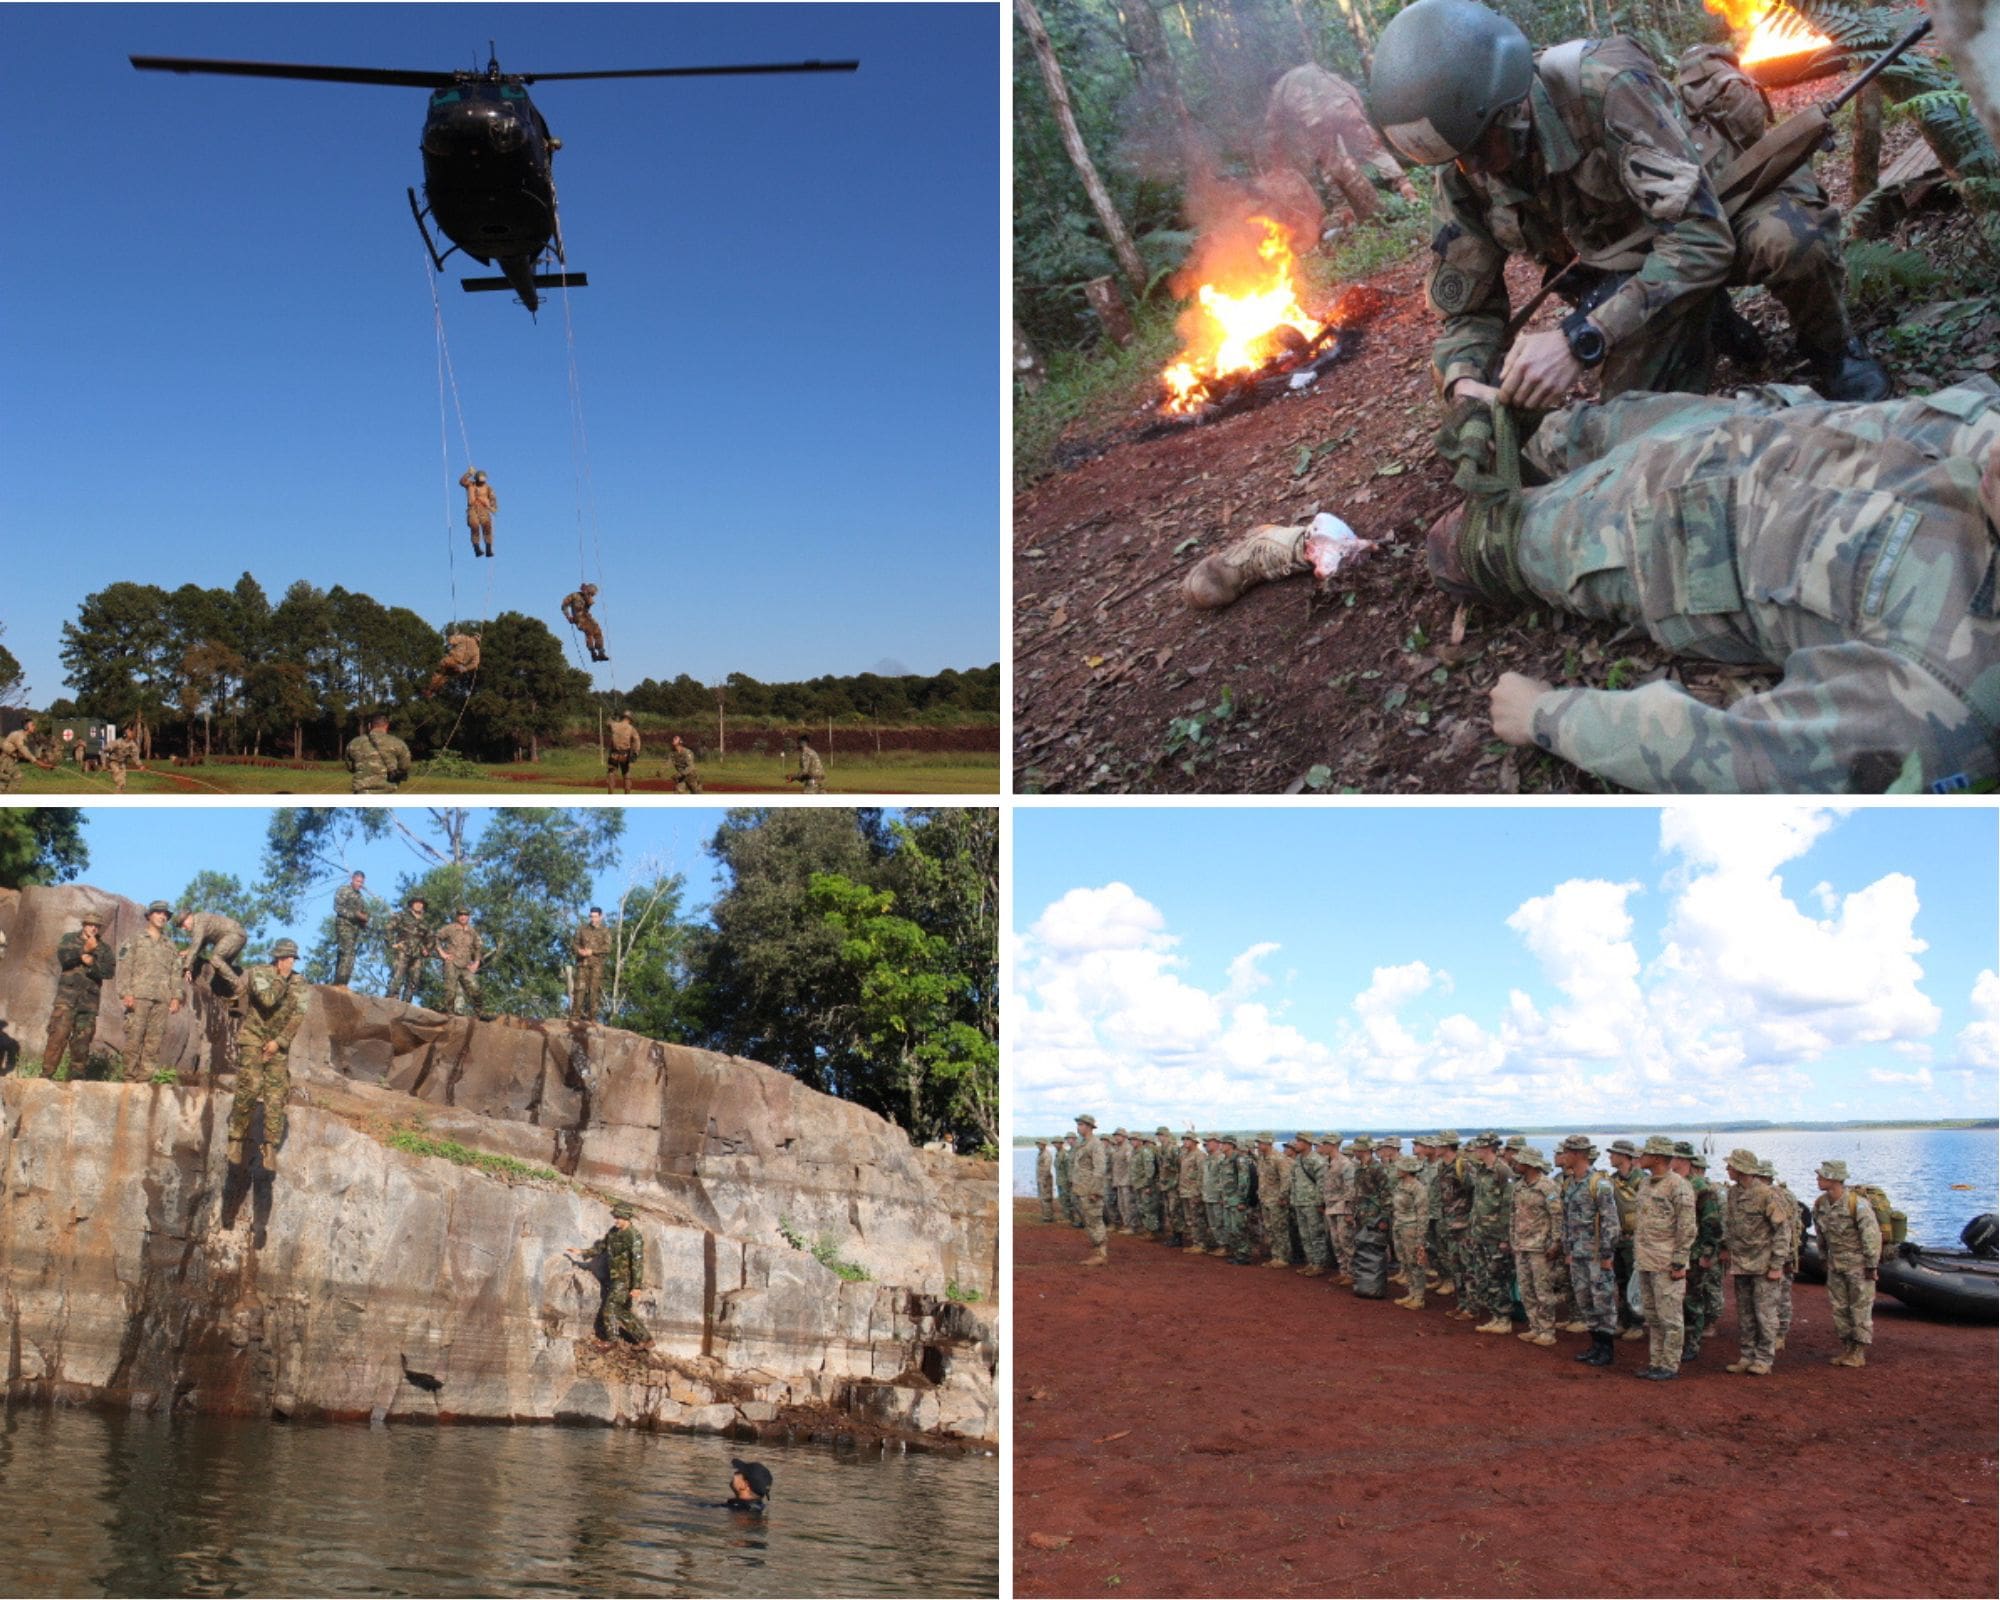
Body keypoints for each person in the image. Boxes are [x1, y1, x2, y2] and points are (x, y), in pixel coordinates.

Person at [1427, 377, 2000, 793]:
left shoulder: (1953, 697)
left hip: (1655, 531)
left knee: (1458, 544)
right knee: (1527, 422)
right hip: (1726, 427)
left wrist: (1546, 716)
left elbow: (1741, 758)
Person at [1368, 0, 1888, 408]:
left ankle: (1833, 349)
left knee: (1791, 241)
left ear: (1511, 106)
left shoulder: (1605, 88)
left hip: (1719, 212)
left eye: (1481, 149)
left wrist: (1581, 337)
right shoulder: (1463, 159)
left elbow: (1701, 239)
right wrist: (1461, 379)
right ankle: (1710, 318)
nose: (1472, 169)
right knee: (1632, 419)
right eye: (1458, 159)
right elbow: (1468, 310)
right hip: (1635, 267)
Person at [229, 938, 310, 1172]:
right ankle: (236, 1138)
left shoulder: (300, 982)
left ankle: (270, 1145)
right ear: (277, 958)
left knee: (276, 1095)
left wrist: (279, 1042)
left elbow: (298, 1015)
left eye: (292, 958)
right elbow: (267, 1000)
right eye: (286, 958)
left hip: (278, 1044)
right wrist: (281, 978)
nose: (290, 962)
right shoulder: (259, 973)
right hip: (253, 1038)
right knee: (251, 1085)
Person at [1632, 1134, 1696, 1380]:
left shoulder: (1678, 1185)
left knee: (1670, 1317)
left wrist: (1679, 1261)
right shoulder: (1645, 1184)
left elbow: (1687, 1226)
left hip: (1667, 1262)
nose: (1641, 1157)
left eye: (1646, 1153)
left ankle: (1669, 1365)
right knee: (1652, 1315)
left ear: (1658, 1157)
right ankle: (1655, 1361)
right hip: (1646, 1260)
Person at [1721, 1149, 1791, 1375]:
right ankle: (1746, 1356)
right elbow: (1729, 1225)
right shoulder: (1733, 1194)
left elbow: (1782, 1231)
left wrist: (1777, 1265)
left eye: (1731, 1166)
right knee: (1745, 1314)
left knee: (1765, 1314)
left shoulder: (1766, 1194)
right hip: (1741, 1264)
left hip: (1763, 1264)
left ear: (1741, 1169)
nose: (1727, 1169)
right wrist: (1726, 1248)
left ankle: (1764, 1358)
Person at [1557, 1135, 1622, 1366]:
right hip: (1577, 1254)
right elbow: (1565, 1220)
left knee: (1602, 1300)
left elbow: (1611, 1223)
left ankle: (1606, 1348)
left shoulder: (1599, 1184)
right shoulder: (1569, 1184)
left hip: (1596, 1255)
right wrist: (1567, 1249)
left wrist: (1606, 1255)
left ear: (1577, 1154)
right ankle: (1595, 1344)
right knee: (1584, 1300)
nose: (1562, 1157)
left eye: (1566, 1152)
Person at [1813, 1158, 1883, 1368]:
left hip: (1857, 1265)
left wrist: (1871, 1265)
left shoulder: (1857, 1204)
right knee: (1839, 1308)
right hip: (1836, 1265)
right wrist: (1823, 1257)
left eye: (1822, 1176)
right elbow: (1820, 1234)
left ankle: (1858, 1352)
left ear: (1834, 1178)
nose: (1818, 1179)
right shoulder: (1821, 1204)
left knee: (1860, 1308)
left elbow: (1871, 1236)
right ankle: (1847, 1348)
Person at [567, 1201, 652, 1347]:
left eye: (618, 1217)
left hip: (625, 1280)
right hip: (615, 1278)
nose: (615, 1220)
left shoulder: (634, 1236)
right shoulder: (613, 1232)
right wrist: (582, 1252)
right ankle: (645, 1339)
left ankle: (612, 1340)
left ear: (626, 1218)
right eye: (615, 1217)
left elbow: (637, 1263)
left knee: (609, 1308)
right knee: (618, 1309)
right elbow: (601, 1247)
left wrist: (636, 1286)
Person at [45, 908, 116, 1080]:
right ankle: (46, 1075)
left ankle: (75, 1080)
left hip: (89, 1003)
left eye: (96, 926)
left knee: (82, 1043)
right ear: (84, 925)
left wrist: (91, 965)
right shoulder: (69, 939)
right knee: (57, 1037)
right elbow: (64, 958)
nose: (93, 928)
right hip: (66, 999)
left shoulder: (104, 948)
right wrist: (83, 950)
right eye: (90, 924)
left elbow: (109, 972)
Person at [118, 899, 183, 1082]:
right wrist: (126, 992)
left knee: (154, 1043)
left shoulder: (170, 945)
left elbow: (176, 973)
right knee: (134, 1038)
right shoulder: (135, 939)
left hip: (161, 999)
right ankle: (129, 1079)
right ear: (149, 916)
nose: (163, 917)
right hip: (139, 996)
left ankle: (144, 1081)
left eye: (166, 914)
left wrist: (176, 997)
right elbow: (125, 966)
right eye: (159, 913)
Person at [1508, 1146, 1563, 1345]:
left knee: (1543, 1291)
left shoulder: (1547, 1187)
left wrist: (1556, 1242)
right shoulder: (1519, 1186)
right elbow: (1513, 1215)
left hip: (1540, 1248)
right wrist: (1513, 1240)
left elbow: (1557, 1216)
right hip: (1522, 1246)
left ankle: (1547, 1331)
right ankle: (1535, 1327)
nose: (1516, 1164)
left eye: (1520, 1161)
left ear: (1530, 1164)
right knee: (1526, 1290)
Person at [1289, 1132, 1332, 1278]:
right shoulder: (1298, 1159)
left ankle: (1319, 1264)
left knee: (1316, 1234)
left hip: (1313, 1203)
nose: (1296, 1144)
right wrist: (1293, 1200)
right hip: (1300, 1202)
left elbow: (1322, 1184)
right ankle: (1311, 1262)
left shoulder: (1317, 1161)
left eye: (1299, 1141)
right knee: (1305, 1235)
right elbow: (1294, 1181)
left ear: (1307, 1143)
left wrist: (1320, 1202)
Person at [179, 908, 248, 996]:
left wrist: (187, 968)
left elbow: (196, 945)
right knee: (221, 968)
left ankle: (239, 986)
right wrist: (188, 952)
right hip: (237, 935)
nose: (183, 928)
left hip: (235, 935)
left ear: (189, 917)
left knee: (216, 959)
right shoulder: (200, 921)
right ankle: (230, 993)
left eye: (183, 924)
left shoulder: (199, 923)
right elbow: (201, 944)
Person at [1069, 1113, 1109, 1266]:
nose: (1078, 1127)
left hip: (1090, 1190)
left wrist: (1095, 1191)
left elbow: (1100, 1169)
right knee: (1088, 1221)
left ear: (1089, 1127)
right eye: (1078, 1124)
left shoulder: (1095, 1144)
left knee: (1094, 1220)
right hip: (1081, 1189)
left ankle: (1101, 1254)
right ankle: (1097, 1251)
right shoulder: (1082, 1143)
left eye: (1081, 1125)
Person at [1391, 1156, 1430, 1309]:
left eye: (1400, 1167)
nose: (1397, 1170)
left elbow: (1423, 1213)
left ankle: (1419, 1297)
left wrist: (1421, 1238)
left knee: (1415, 1263)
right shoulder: (1400, 1185)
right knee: (1405, 1261)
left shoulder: (1418, 1188)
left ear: (1407, 1170)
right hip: (1399, 1225)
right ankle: (1411, 1293)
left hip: (1411, 1228)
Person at [1320, 1131, 1357, 1284]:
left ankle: (1352, 1274)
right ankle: (1343, 1271)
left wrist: (1349, 1210)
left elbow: (1350, 1188)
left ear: (1333, 1145)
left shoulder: (1345, 1163)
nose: (1322, 1146)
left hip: (1342, 1208)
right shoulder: (1327, 1162)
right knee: (1336, 1242)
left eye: (1325, 1144)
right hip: (1331, 1207)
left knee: (1346, 1241)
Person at [437, 908, 485, 1018]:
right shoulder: (450, 928)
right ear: (457, 916)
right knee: (450, 991)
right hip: (451, 963)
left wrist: (476, 962)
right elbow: (436, 938)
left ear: (468, 917)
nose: (463, 917)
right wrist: (442, 953)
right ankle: (448, 1013)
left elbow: (478, 947)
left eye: (465, 915)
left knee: (475, 989)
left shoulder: (472, 932)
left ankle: (480, 1012)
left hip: (466, 965)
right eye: (461, 915)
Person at [346, 715, 412, 794]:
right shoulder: (398, 743)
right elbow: (405, 766)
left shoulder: (354, 743)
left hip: (361, 792)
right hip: (388, 791)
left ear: (369, 726)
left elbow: (350, 767)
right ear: (387, 726)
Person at [387, 896, 431, 1003]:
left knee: (414, 980)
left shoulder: (424, 923)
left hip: (417, 955)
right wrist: (392, 944)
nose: (419, 905)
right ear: (412, 904)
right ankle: (391, 999)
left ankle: (406, 1003)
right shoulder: (402, 915)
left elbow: (431, 938)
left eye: (421, 903)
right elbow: (389, 928)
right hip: (403, 950)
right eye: (416, 903)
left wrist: (427, 949)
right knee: (397, 975)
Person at [573, 907, 612, 1020]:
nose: (593, 919)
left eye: (595, 916)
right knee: (579, 989)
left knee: (594, 990)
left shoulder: (605, 931)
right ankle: (575, 1016)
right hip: (582, 963)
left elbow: (608, 948)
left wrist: (592, 951)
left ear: (600, 917)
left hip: (597, 965)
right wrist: (579, 951)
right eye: (591, 916)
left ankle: (592, 1017)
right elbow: (574, 943)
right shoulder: (582, 929)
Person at [332, 870, 370, 987]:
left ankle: (341, 982)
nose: (360, 884)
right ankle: (340, 982)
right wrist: (355, 915)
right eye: (358, 881)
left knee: (348, 954)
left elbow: (363, 914)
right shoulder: (344, 890)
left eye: (361, 882)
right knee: (347, 952)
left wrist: (364, 920)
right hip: (344, 925)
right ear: (352, 879)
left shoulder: (360, 897)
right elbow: (337, 908)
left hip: (355, 929)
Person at [0, 718, 54, 792]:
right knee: (17, 777)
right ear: (26, 727)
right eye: (32, 725)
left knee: (6, 781)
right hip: (4, 759)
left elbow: (23, 754)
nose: (34, 727)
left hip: (9, 760)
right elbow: (25, 751)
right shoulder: (18, 735)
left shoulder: (23, 736)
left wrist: (42, 763)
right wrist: (40, 764)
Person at [423, 633, 482, 699]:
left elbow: (451, 641)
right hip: (459, 667)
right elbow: (475, 664)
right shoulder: (477, 651)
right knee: (444, 678)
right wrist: (465, 668)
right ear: (479, 641)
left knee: (439, 674)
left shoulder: (464, 638)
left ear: (473, 636)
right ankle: (433, 692)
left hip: (450, 660)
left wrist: (455, 634)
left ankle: (429, 690)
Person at [1178, 1131, 1209, 1252]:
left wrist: (1198, 1192)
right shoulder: (1185, 1154)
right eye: (1184, 1139)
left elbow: (1202, 1175)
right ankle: (1195, 1242)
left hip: (1194, 1192)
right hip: (1184, 1191)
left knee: (1197, 1219)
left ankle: (1200, 1244)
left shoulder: (1199, 1155)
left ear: (1195, 1142)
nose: (1185, 1142)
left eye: (1188, 1139)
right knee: (1190, 1219)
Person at [562, 584, 610, 662]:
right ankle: (593, 653)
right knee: (589, 631)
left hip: (587, 617)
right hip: (579, 619)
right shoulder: (574, 595)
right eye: (591, 593)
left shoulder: (589, 598)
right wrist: (568, 616)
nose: (591, 596)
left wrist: (586, 594)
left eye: (592, 594)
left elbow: (590, 603)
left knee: (598, 631)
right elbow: (564, 605)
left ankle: (601, 652)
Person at [459, 468, 497, 558]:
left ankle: (488, 548)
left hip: (484, 509)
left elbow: (493, 498)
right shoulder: (470, 485)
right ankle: (477, 548)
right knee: (474, 526)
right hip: (472, 509)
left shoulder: (488, 488)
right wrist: (469, 473)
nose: (482, 483)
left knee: (487, 527)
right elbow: (461, 482)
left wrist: (493, 507)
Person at [606, 713, 641, 795]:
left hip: (614, 754)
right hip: (625, 754)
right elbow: (637, 741)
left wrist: (612, 717)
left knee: (611, 775)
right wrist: (635, 753)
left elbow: (607, 723)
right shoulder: (631, 728)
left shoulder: (614, 725)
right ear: (629, 719)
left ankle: (610, 795)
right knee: (626, 775)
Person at [104, 726, 142, 794]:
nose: (131, 733)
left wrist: (140, 765)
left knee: (123, 782)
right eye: (129, 732)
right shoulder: (118, 742)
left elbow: (135, 756)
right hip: (113, 762)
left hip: (122, 763)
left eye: (131, 731)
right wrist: (108, 748)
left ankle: (119, 793)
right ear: (125, 734)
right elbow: (107, 747)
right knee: (118, 777)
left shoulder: (133, 745)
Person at [1035, 1138, 1056, 1223]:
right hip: (1040, 1178)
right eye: (1037, 1144)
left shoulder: (1046, 1154)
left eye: (1040, 1144)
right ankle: (1046, 1215)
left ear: (1044, 1145)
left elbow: (1047, 1168)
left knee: (1046, 1198)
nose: (1038, 1145)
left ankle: (1048, 1217)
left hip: (1045, 1179)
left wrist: (1043, 1179)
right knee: (1042, 1198)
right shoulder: (1040, 1153)